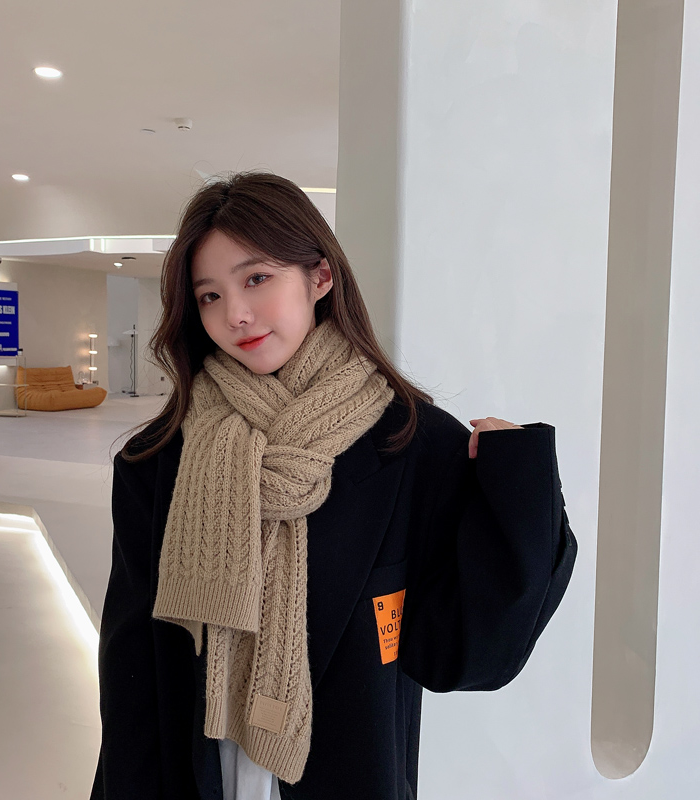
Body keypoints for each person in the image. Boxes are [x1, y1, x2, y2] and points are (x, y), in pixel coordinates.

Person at [90, 172, 577, 800]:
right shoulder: (160, 458)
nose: (235, 314)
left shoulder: (410, 442)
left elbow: (467, 653)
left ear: (320, 277)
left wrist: (518, 480)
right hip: (191, 777)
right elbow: (131, 668)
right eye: (209, 295)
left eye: (256, 279)